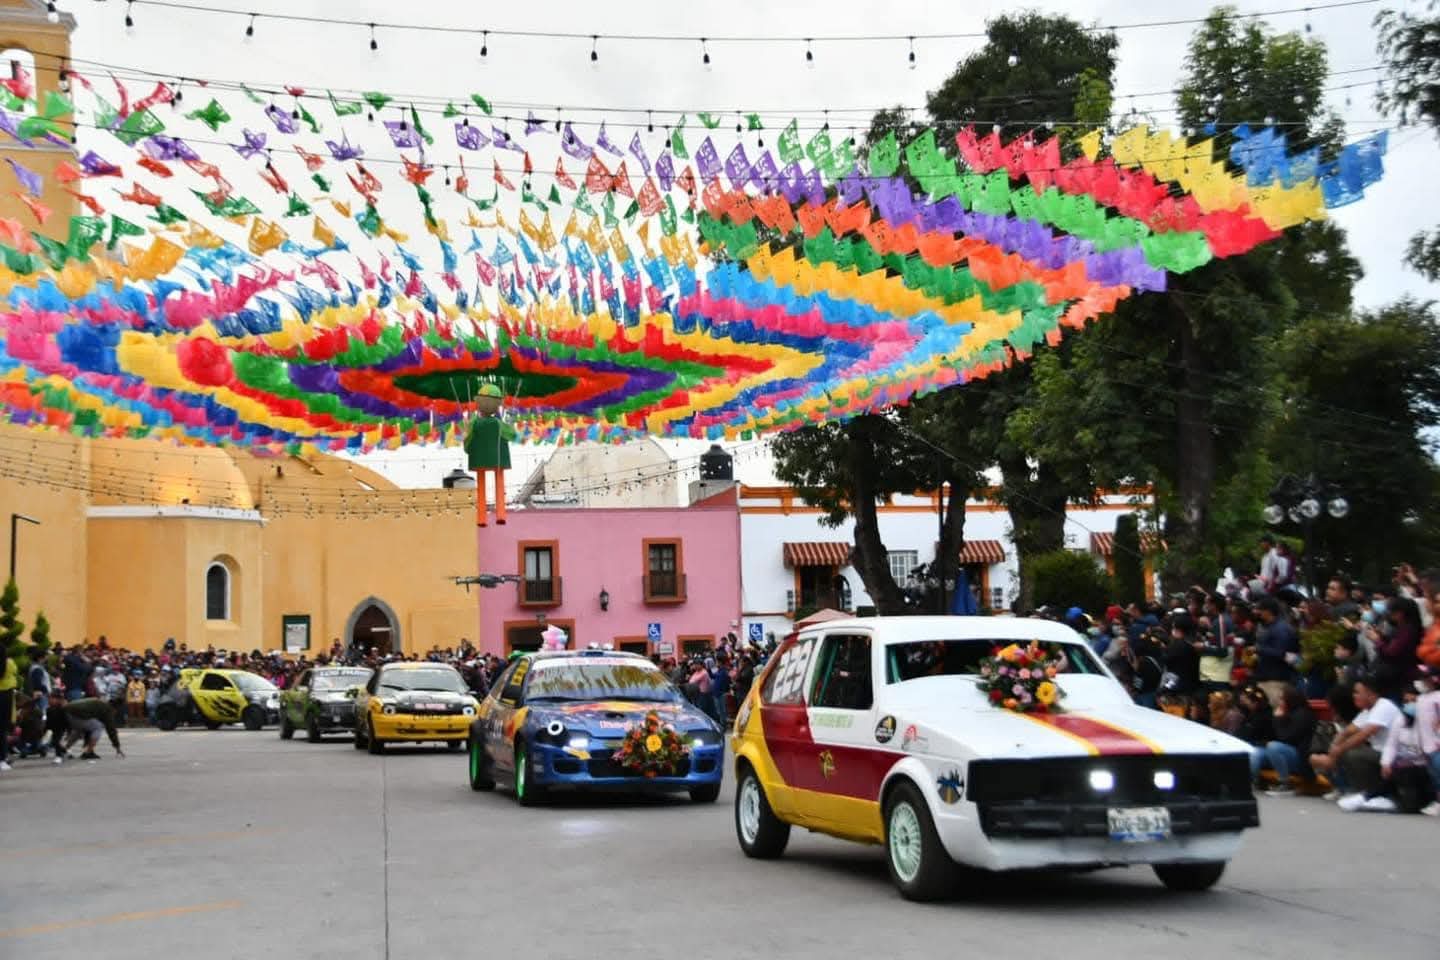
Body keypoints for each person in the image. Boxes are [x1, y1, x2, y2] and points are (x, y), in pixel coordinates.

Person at [1309, 675, 1401, 804]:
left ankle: (1368, 792)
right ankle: (1343, 788)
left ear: (1370, 694)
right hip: (1378, 753)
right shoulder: (1367, 711)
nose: (1354, 696)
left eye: (1357, 693)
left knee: (1351, 753)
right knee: (1330, 747)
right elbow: (1347, 732)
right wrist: (1332, 750)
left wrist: (1337, 751)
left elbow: (1364, 734)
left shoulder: (1384, 706)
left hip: (1393, 755)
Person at [1251, 685, 1317, 796]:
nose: (1279, 702)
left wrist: (1277, 719)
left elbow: (1286, 738)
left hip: (1300, 757)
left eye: (1282, 699)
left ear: (1291, 699)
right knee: (1255, 752)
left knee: (1273, 746)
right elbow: (1274, 736)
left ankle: (1285, 783)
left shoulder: (1303, 714)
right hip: (1283, 752)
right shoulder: (1286, 712)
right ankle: (1255, 782)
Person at [1253, 597, 1300, 705]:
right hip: (1268, 678)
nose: (1257, 612)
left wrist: (1259, 649)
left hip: (1276, 681)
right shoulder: (1271, 627)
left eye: (1259, 609)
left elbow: (1282, 653)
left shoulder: (1281, 629)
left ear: (1268, 611)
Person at [57, 697, 124, 760]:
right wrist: (117, 746)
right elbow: (111, 729)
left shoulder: (101, 703)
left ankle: (64, 749)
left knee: (81, 728)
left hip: (67, 712)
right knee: (98, 727)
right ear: (116, 708)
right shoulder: (108, 709)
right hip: (73, 714)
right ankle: (88, 752)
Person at [0, 648, 16, 771]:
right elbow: (14, 670)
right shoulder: (10, 663)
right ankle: (2, 759)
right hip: (5, 695)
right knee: (2, 730)